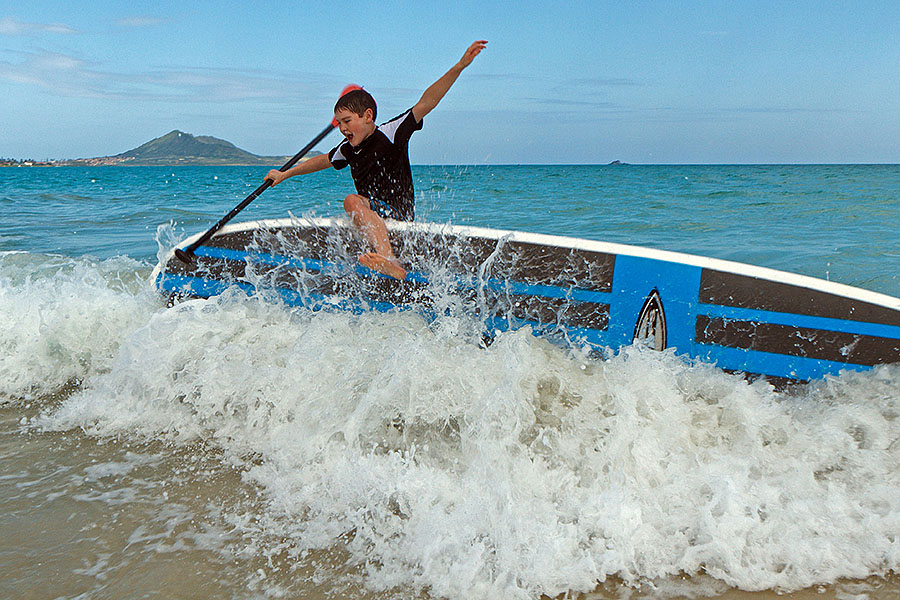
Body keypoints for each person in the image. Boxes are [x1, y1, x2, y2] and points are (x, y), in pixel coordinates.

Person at [266, 40, 488, 280]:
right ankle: (384, 258)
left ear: (368, 116)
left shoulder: (391, 132)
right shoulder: (348, 148)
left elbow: (426, 102)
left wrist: (460, 66)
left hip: (398, 214)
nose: (342, 128)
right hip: (373, 214)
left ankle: (389, 259)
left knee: (351, 201)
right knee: (354, 204)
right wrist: (284, 174)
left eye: (347, 121)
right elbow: (321, 161)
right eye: (339, 123)